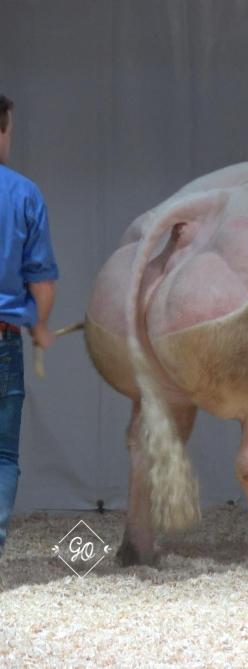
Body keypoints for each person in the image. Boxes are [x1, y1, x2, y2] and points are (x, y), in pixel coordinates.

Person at [0, 94, 60, 558]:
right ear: (2, 131)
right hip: (4, 340)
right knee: (1, 457)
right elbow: (41, 278)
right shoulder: (24, 194)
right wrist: (41, 324)